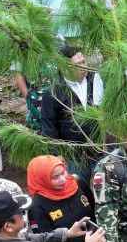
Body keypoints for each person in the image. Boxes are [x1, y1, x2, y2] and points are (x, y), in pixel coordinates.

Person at [39, 46, 104, 177]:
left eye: (84, 62)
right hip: (73, 155)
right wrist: (57, 155)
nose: (84, 67)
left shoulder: (96, 80)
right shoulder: (53, 92)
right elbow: (49, 129)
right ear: (64, 67)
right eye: (78, 64)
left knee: (102, 190)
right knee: (79, 190)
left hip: (100, 149)